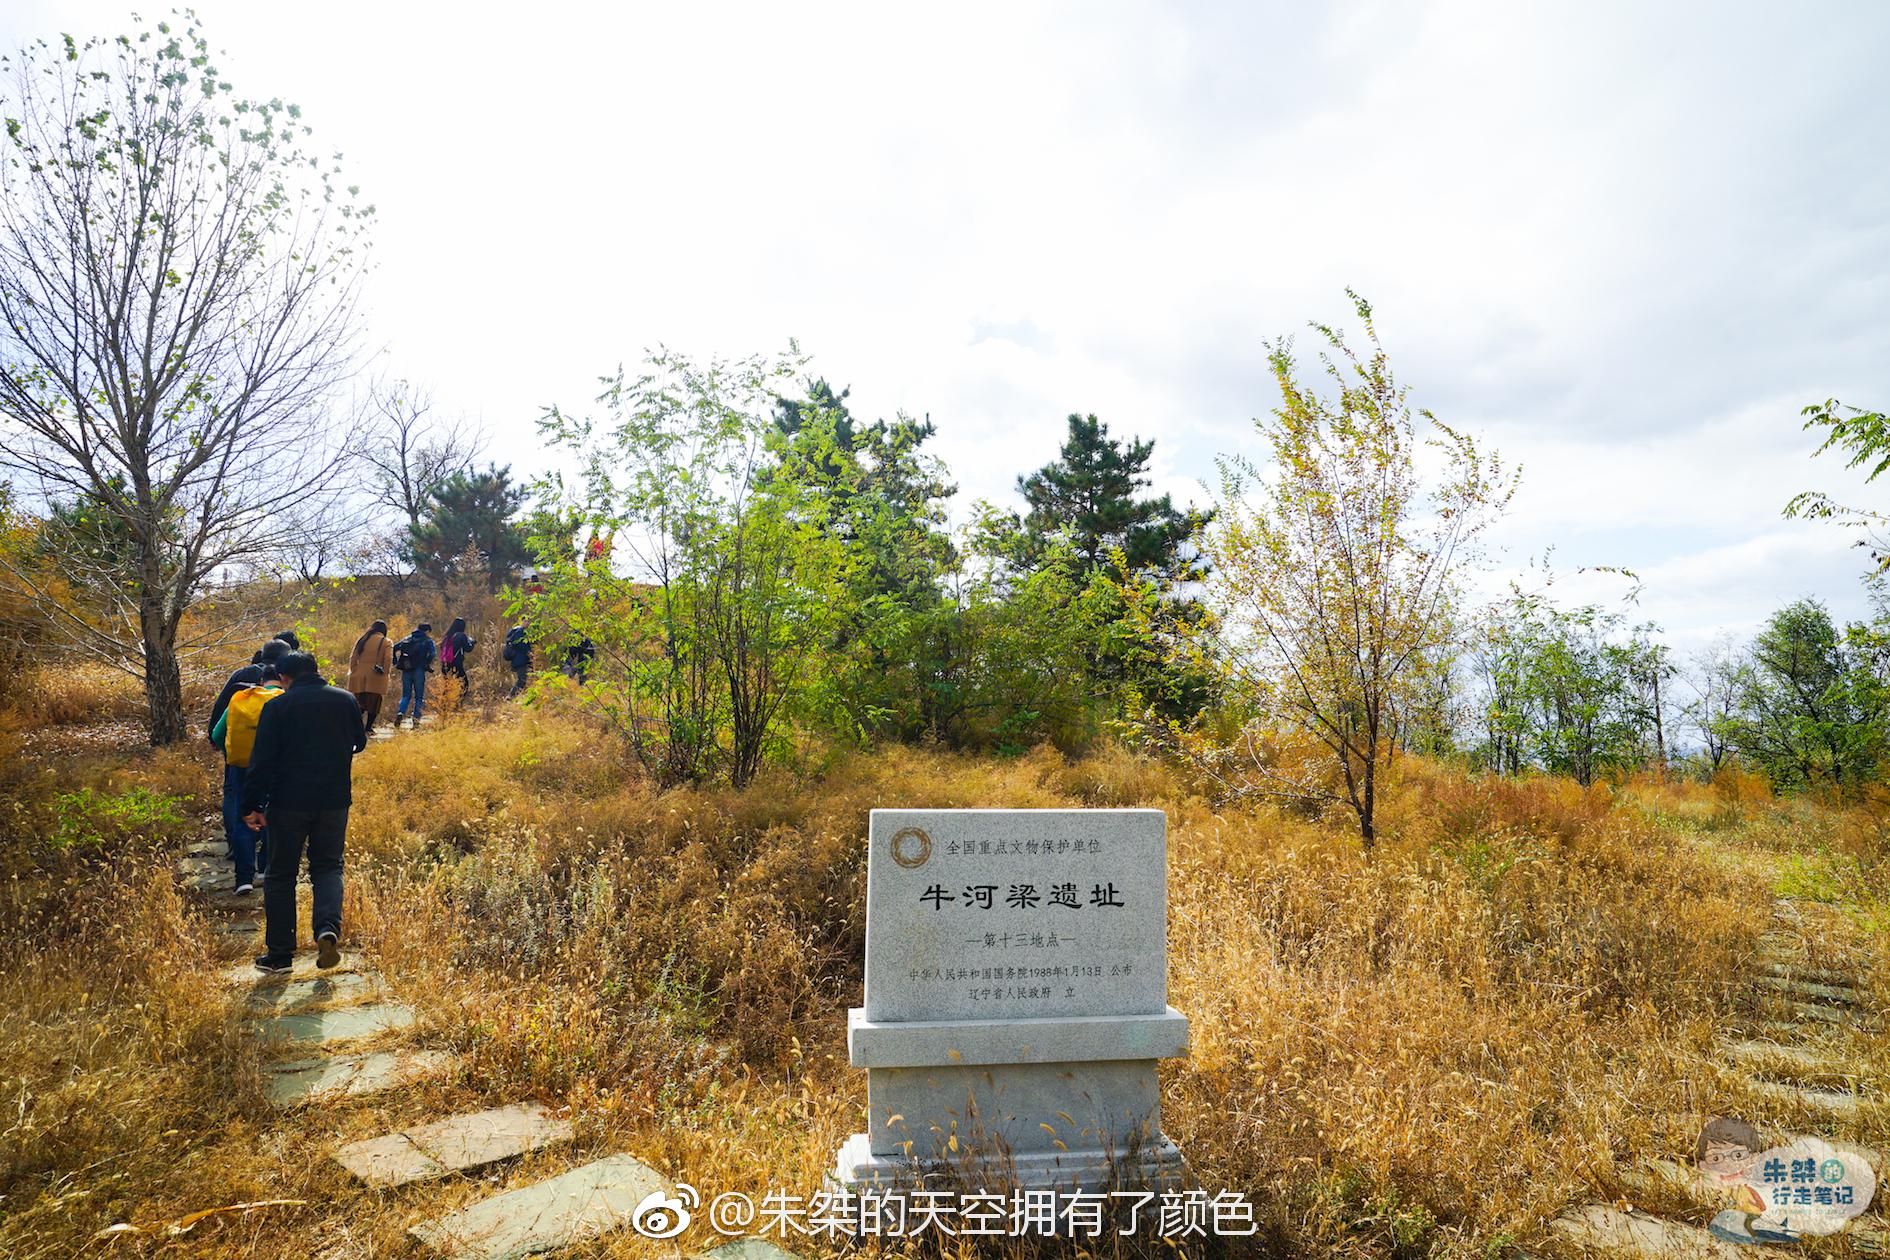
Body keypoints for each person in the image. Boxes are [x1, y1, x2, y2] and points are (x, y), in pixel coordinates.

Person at [242, 652, 366, 973]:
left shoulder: (278, 707)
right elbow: (360, 742)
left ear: (284, 677)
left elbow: (261, 762)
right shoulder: (346, 700)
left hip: (288, 803)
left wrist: (250, 805)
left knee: (281, 875)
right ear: (316, 670)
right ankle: (327, 930)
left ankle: (281, 956)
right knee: (328, 867)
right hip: (334, 800)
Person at [209, 662, 284, 893]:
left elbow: (217, 734)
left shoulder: (241, 698)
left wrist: (231, 754)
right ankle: (265, 867)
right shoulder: (284, 699)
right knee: (273, 812)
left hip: (241, 766)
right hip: (274, 766)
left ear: (262, 681)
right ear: (283, 678)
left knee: (245, 817)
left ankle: (244, 878)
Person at [208, 638, 289, 740]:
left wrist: (212, 734)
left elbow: (221, 703)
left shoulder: (240, 673)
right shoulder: (285, 676)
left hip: (239, 740)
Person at [346, 619, 394, 733]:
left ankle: (354, 727)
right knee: (374, 703)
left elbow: (353, 657)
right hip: (376, 675)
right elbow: (388, 658)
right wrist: (385, 673)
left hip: (359, 674)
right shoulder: (386, 641)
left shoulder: (362, 640)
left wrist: (354, 671)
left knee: (359, 703)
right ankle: (368, 728)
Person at [392, 623, 436, 728]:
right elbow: (433, 653)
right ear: (426, 631)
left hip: (406, 669)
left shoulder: (407, 638)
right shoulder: (428, 640)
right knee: (419, 697)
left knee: (406, 695)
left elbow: (394, 648)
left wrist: (395, 661)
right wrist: (427, 663)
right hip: (419, 670)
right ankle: (416, 720)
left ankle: (400, 712)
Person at [502, 624, 531, 697]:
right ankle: (510, 696)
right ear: (522, 621)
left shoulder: (517, 631)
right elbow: (522, 645)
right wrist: (529, 651)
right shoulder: (520, 631)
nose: (528, 623)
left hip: (518, 659)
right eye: (526, 621)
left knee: (523, 679)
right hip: (520, 660)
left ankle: (520, 696)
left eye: (529, 621)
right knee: (521, 680)